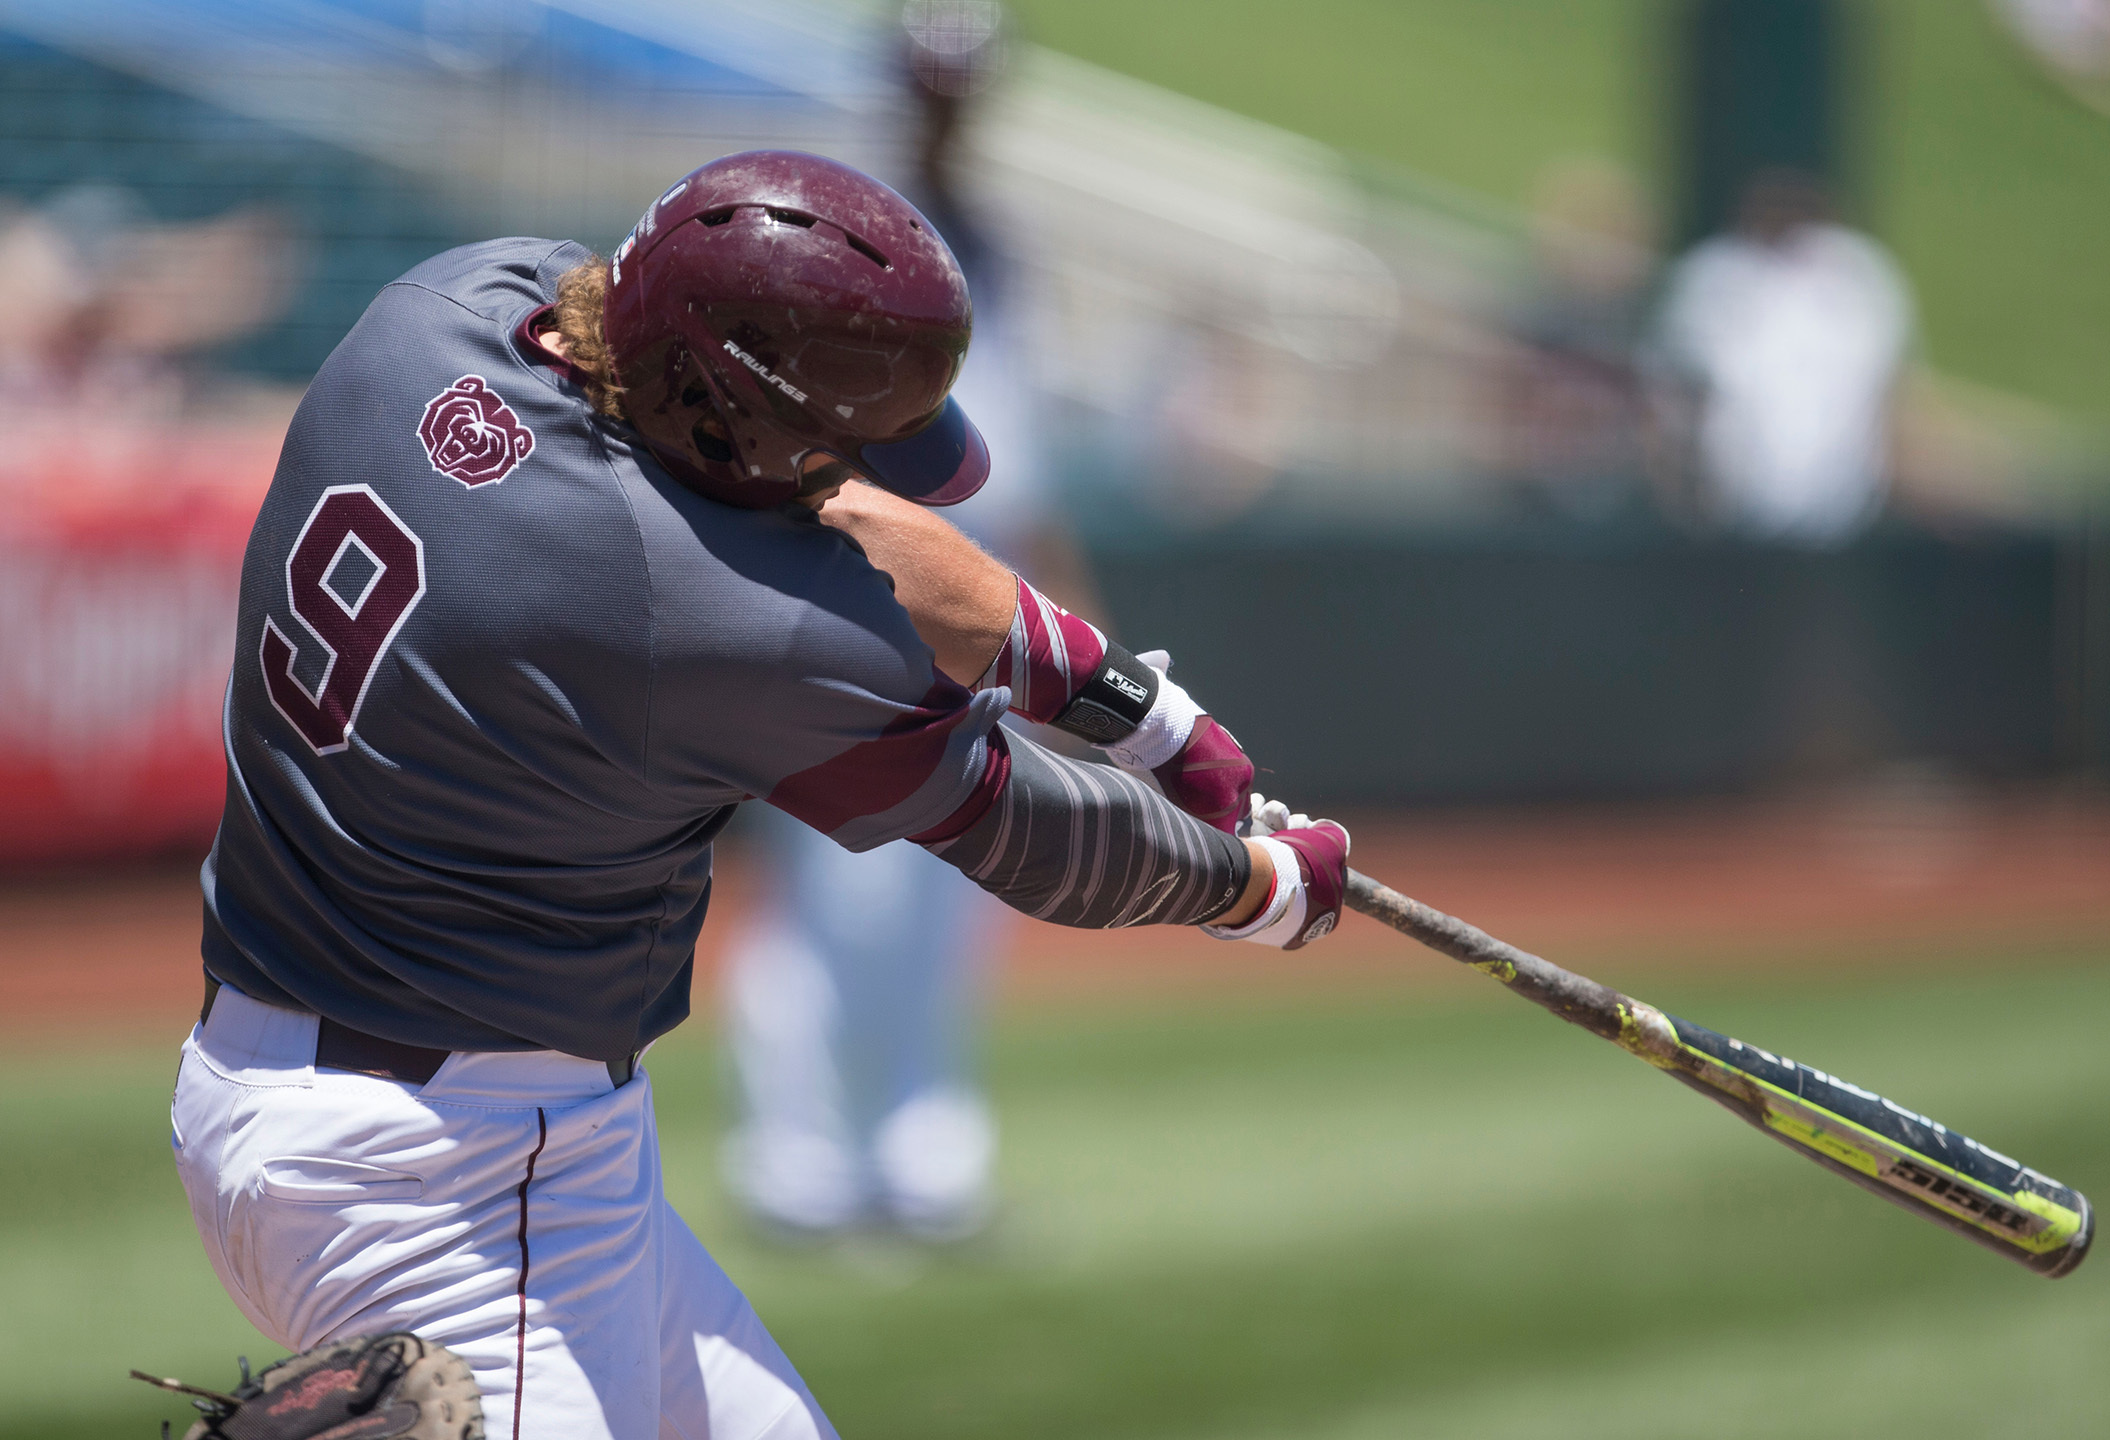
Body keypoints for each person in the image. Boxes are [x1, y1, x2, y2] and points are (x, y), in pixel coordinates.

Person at [171, 149, 1348, 1440]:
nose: (858, 471)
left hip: (297, 1087)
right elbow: (1038, 837)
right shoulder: (717, 621)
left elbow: (831, 511)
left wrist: (1134, 707)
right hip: (450, 1179)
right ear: (734, 424)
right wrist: (1256, 888)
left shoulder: (445, 306)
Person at [719, 0, 1066, 1245]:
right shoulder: (841, 226)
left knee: (955, 883)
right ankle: (798, 1164)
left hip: (985, 577)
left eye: (965, 85)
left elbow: (1029, 454)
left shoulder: (998, 240)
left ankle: (925, 1163)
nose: (951, 103)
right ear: (903, 87)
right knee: (840, 883)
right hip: (856, 575)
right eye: (935, 84)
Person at [1647, 170, 1912, 546]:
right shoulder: (1711, 277)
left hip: (1844, 517)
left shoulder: (1861, 274)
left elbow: (1892, 399)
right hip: (1729, 521)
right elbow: (1674, 401)